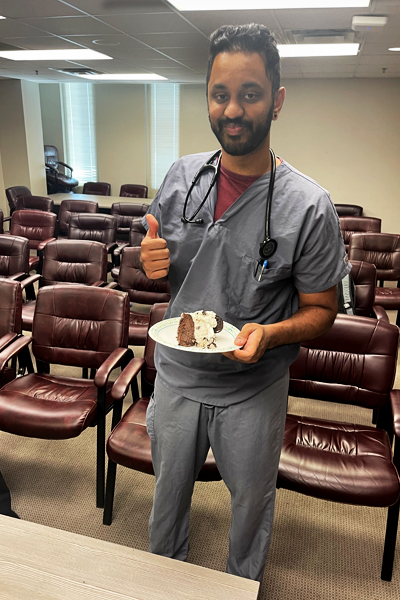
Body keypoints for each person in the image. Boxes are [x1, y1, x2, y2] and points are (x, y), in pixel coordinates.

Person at [140, 23, 350, 583]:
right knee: (166, 506)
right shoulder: (182, 178)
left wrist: (272, 334)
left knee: (250, 511)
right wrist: (145, 263)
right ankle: (167, 586)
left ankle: (242, 587)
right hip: (177, 380)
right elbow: (157, 264)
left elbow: (322, 309)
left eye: (250, 94)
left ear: (276, 101)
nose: (233, 110)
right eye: (220, 94)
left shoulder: (308, 206)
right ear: (207, 96)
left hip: (250, 391)